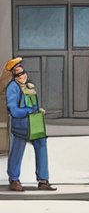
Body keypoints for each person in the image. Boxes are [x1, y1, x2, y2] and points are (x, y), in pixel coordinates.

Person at [5, 58, 55, 192]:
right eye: (18, 74)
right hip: (20, 126)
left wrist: (37, 110)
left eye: (23, 72)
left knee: (42, 147)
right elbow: (14, 111)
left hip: (35, 125)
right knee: (16, 152)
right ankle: (14, 180)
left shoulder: (29, 87)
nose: (22, 76)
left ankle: (43, 180)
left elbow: (34, 105)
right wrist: (29, 111)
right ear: (13, 76)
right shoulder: (12, 88)